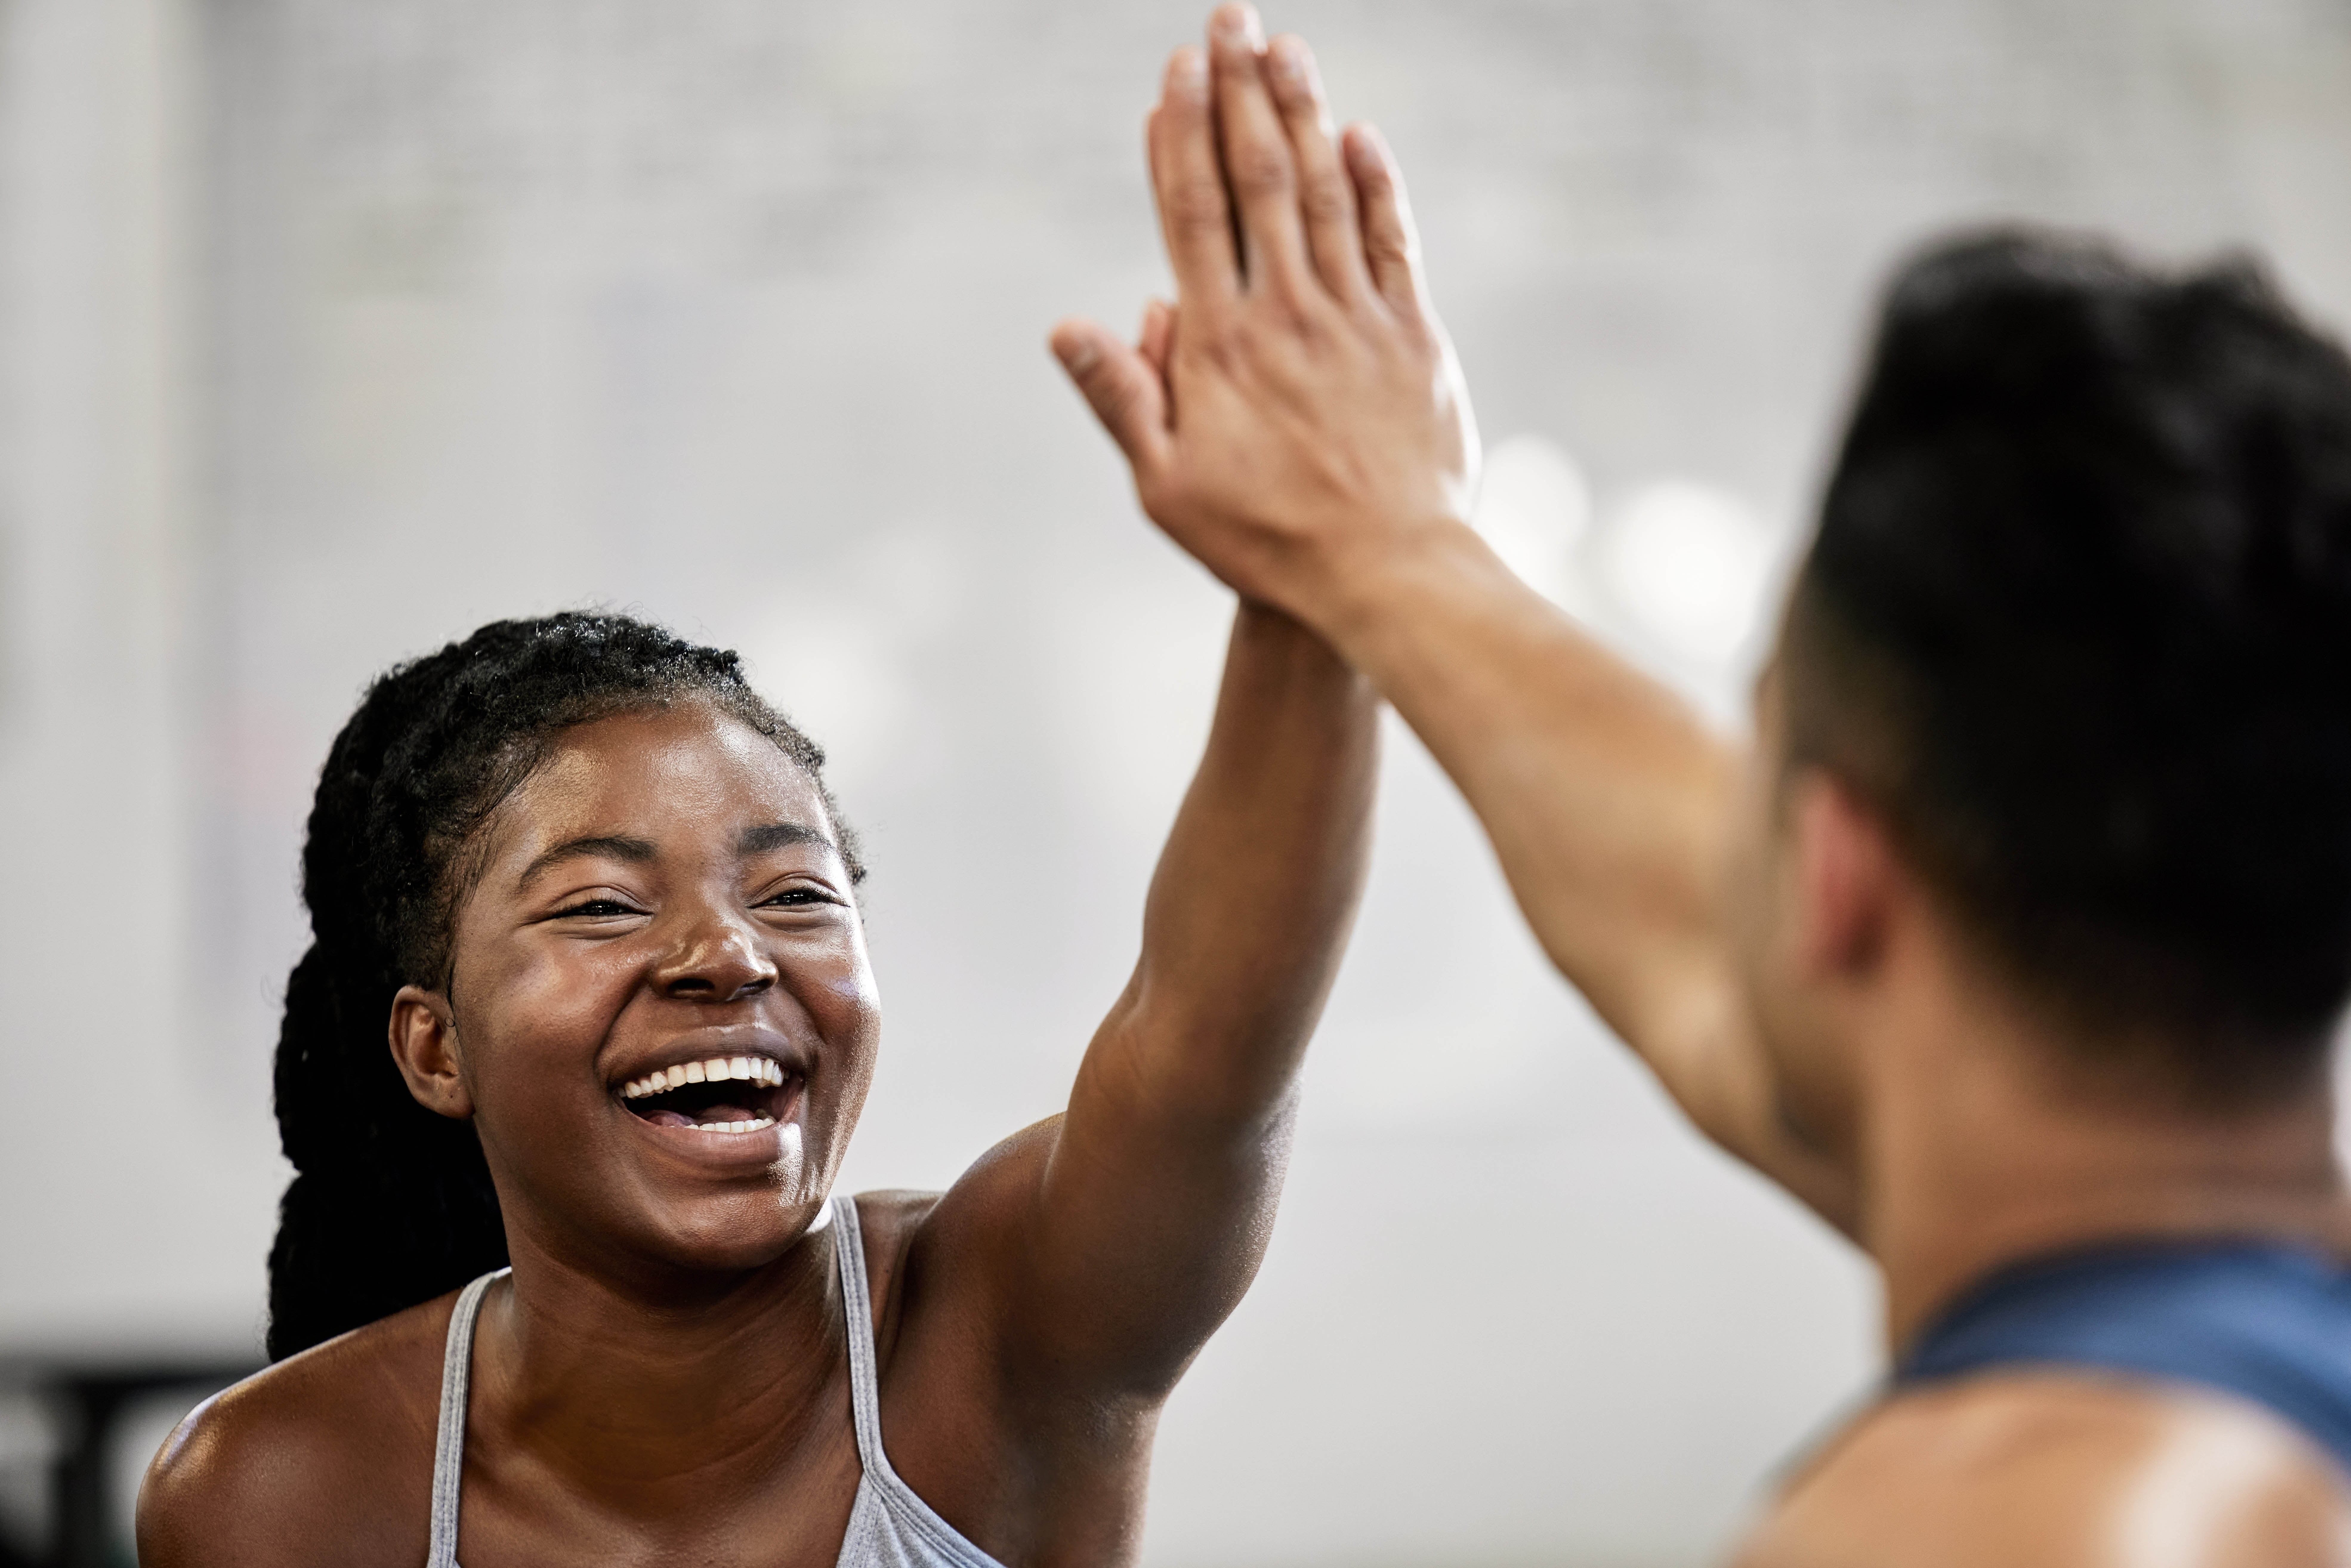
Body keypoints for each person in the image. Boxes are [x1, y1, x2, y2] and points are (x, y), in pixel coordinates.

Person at [1051, 5, 2351, 1559]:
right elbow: (1694, 921)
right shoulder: (2240, 1317)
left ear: (1830, 872)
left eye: (1754, 757)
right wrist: (1378, 552)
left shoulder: (2017, 1518)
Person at [137, 604, 1375, 1565]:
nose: (729, 953)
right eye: (604, 907)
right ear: (437, 1051)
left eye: (795, 896)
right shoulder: (275, 1491)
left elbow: (1215, 1038)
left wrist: (1322, 575)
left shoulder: (1006, 1330)